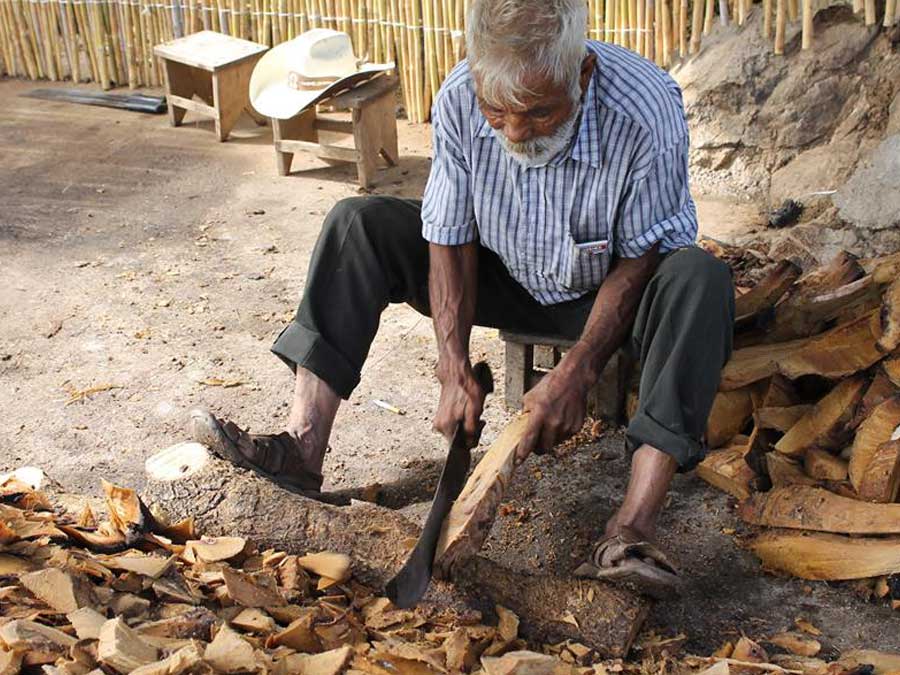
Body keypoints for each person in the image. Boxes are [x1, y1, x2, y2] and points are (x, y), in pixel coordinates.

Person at [191, 0, 734, 598]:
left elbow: (643, 257)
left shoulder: (644, 106)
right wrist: (452, 366)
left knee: (699, 280)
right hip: (503, 276)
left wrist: (579, 370)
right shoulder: (456, 97)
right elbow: (447, 234)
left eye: (539, 112)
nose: (517, 132)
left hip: (607, 289)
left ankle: (631, 528)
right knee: (357, 224)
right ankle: (302, 449)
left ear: (580, 74)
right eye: (496, 112)